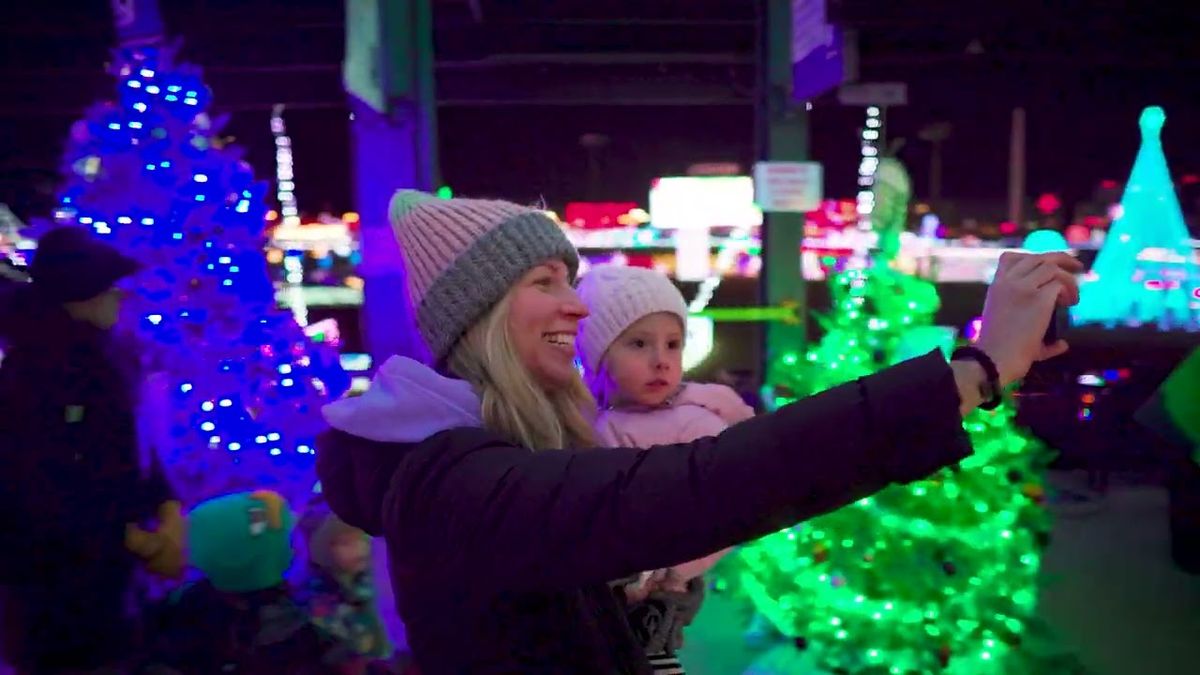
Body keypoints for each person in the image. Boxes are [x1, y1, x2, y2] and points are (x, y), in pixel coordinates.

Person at [316, 190, 1081, 674]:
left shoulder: (492, 452)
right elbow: (709, 482)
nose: (577, 307)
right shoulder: (451, 482)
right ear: (478, 316)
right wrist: (971, 373)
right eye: (544, 283)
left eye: (570, 281)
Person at [0, 226, 182, 673]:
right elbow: (42, 480)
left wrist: (166, 508)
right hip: (59, 587)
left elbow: (129, 445)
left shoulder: (104, 358)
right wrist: (138, 540)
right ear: (78, 296)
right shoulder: (39, 372)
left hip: (107, 574)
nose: (119, 297)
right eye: (108, 286)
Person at [576, 264, 753, 673]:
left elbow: (734, 509)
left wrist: (674, 571)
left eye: (673, 345)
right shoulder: (583, 419)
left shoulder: (695, 424)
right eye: (639, 344)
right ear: (597, 353)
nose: (661, 361)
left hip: (655, 595)